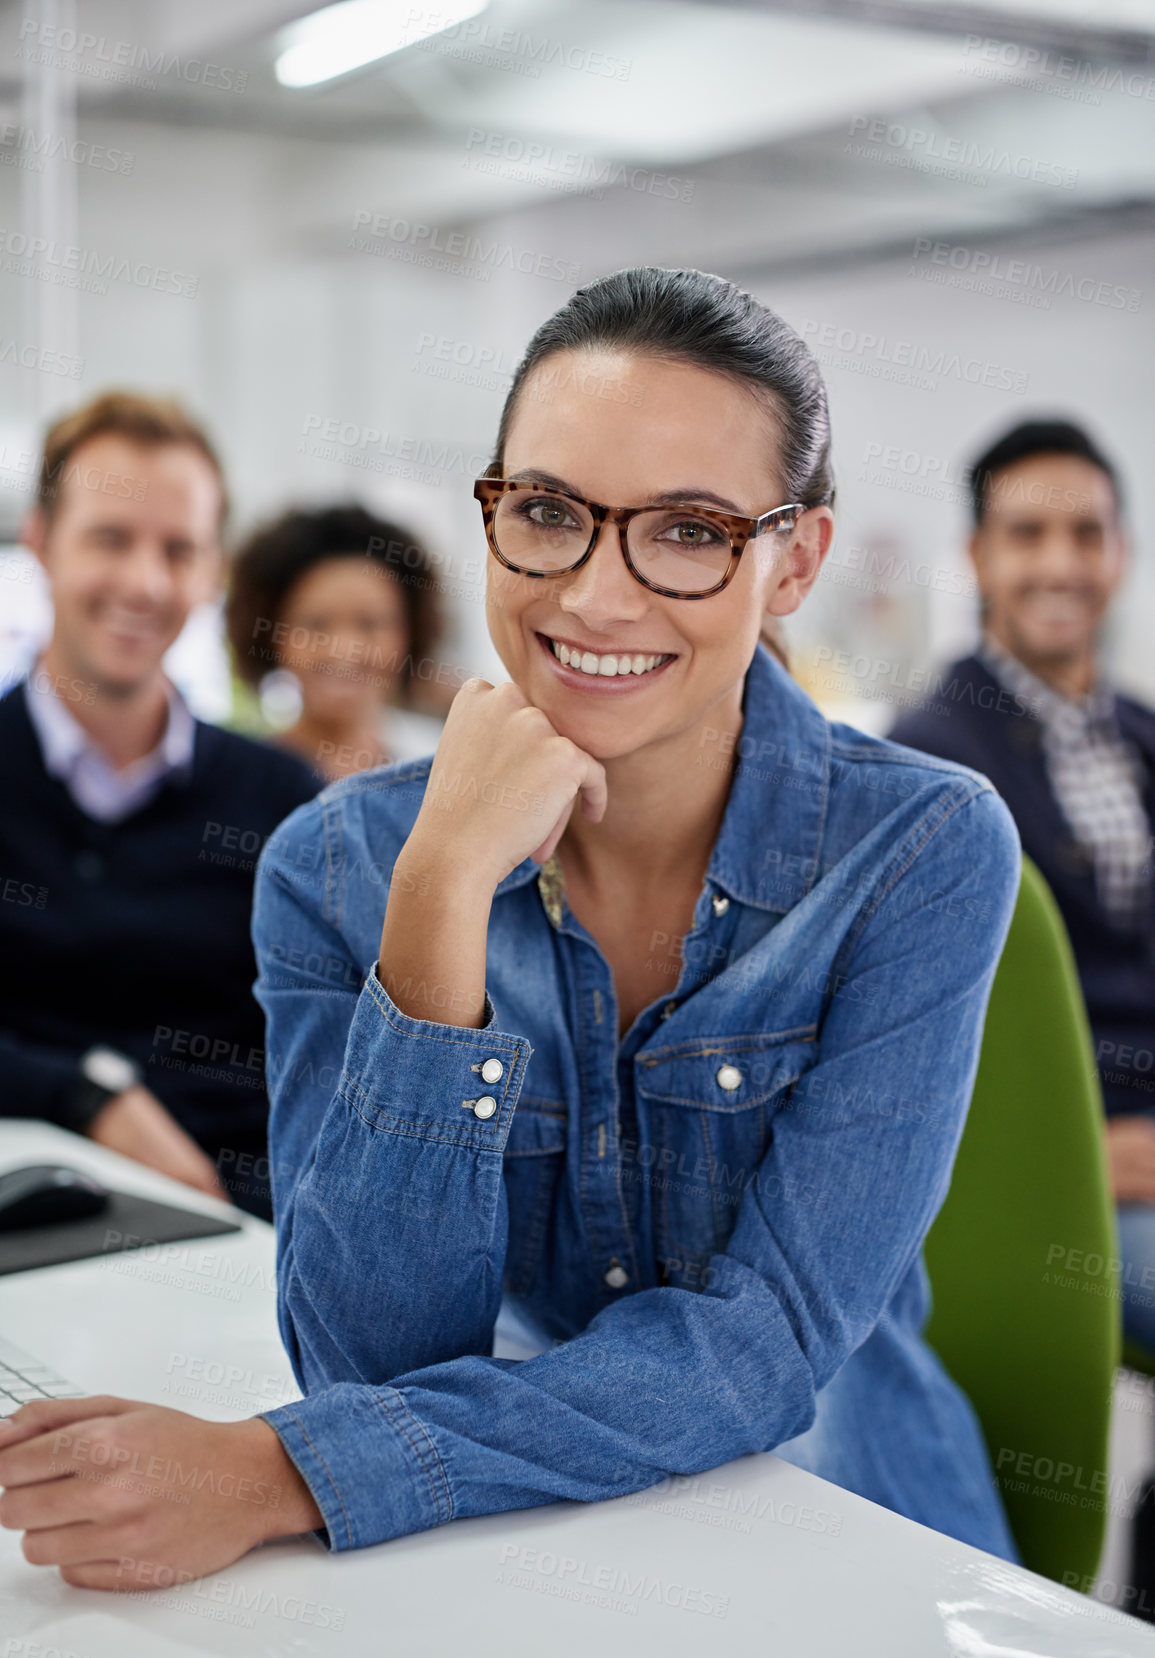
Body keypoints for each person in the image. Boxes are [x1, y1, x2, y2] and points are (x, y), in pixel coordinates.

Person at [0, 268, 1024, 1591]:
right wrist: (438, 894)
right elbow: (371, 1363)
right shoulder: (334, 860)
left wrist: (284, 1468)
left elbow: (763, 1339)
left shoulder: (918, 848)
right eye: (545, 510)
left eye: (689, 530)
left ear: (793, 562)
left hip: (852, 1531)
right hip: (534, 1531)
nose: (595, 596)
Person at [0, 391, 321, 1220]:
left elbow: (324, 1053)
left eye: (178, 550)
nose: (144, 582)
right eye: (110, 538)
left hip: (238, 1235)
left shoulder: (283, 800)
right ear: (40, 542)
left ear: (212, 569)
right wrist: (88, 1095)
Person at [889, 420, 1155, 1349]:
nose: (1060, 563)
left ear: (1118, 552)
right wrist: (1084, 1148)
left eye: (1085, 533)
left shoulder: (1140, 735)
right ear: (977, 554)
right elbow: (927, 1032)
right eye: (1026, 534)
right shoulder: (927, 759)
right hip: (1059, 1168)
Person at [227, 504, 446, 780]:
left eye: (370, 623)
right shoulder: (240, 782)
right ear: (272, 634)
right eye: (316, 624)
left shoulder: (441, 770)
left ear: (410, 631)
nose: (343, 649)